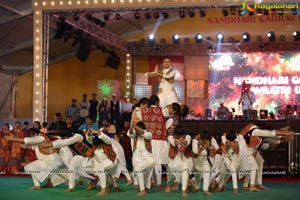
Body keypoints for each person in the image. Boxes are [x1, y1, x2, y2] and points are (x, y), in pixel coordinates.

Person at [141, 95, 168, 190]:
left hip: (147, 139)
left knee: (148, 161)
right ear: (156, 102)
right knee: (158, 162)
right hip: (159, 139)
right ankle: (159, 184)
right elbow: (169, 114)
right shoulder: (161, 110)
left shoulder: (143, 110)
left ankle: (148, 182)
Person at [128, 121, 154, 196]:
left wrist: (136, 127)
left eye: (138, 130)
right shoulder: (135, 136)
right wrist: (132, 127)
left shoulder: (148, 134)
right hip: (140, 162)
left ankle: (143, 190)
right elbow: (130, 134)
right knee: (139, 170)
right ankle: (143, 188)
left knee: (141, 171)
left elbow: (146, 134)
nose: (137, 132)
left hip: (149, 161)